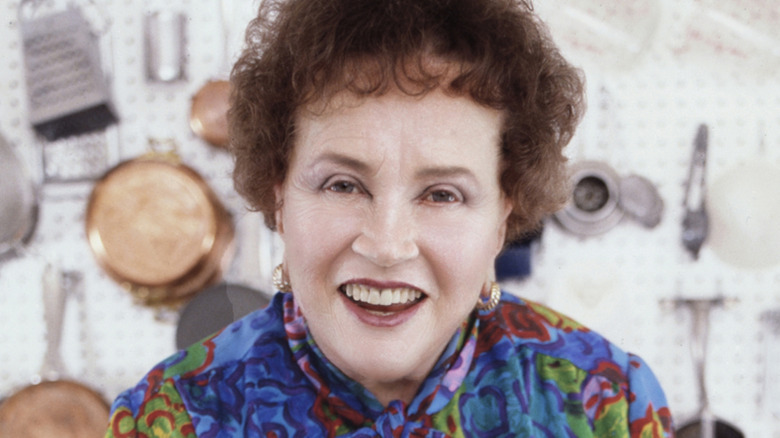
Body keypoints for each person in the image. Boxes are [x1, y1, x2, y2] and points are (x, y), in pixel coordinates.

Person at [105, 0, 674, 436]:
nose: (387, 245)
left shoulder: (609, 404)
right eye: (342, 184)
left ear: (503, 216)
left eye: (443, 194)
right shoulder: (168, 418)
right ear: (280, 195)